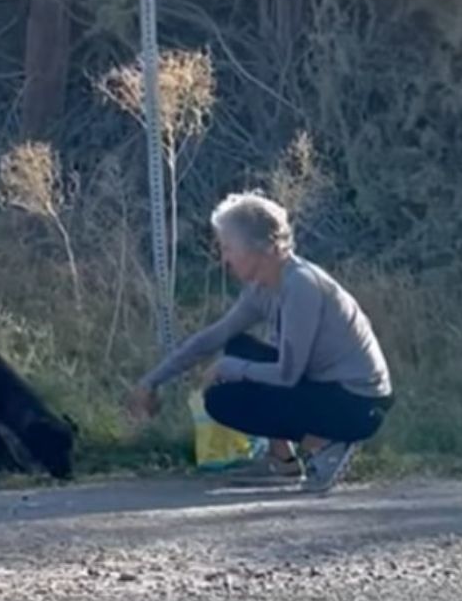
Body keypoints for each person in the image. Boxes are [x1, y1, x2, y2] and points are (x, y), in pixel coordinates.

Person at [127, 192, 393, 493]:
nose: (224, 258)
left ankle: (326, 446)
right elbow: (212, 338)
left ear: (259, 248)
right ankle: (283, 462)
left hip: (358, 404)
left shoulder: (300, 286)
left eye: (228, 248)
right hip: (327, 387)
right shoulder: (264, 287)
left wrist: (229, 368)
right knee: (238, 345)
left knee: (222, 399)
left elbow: (287, 375)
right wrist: (151, 382)